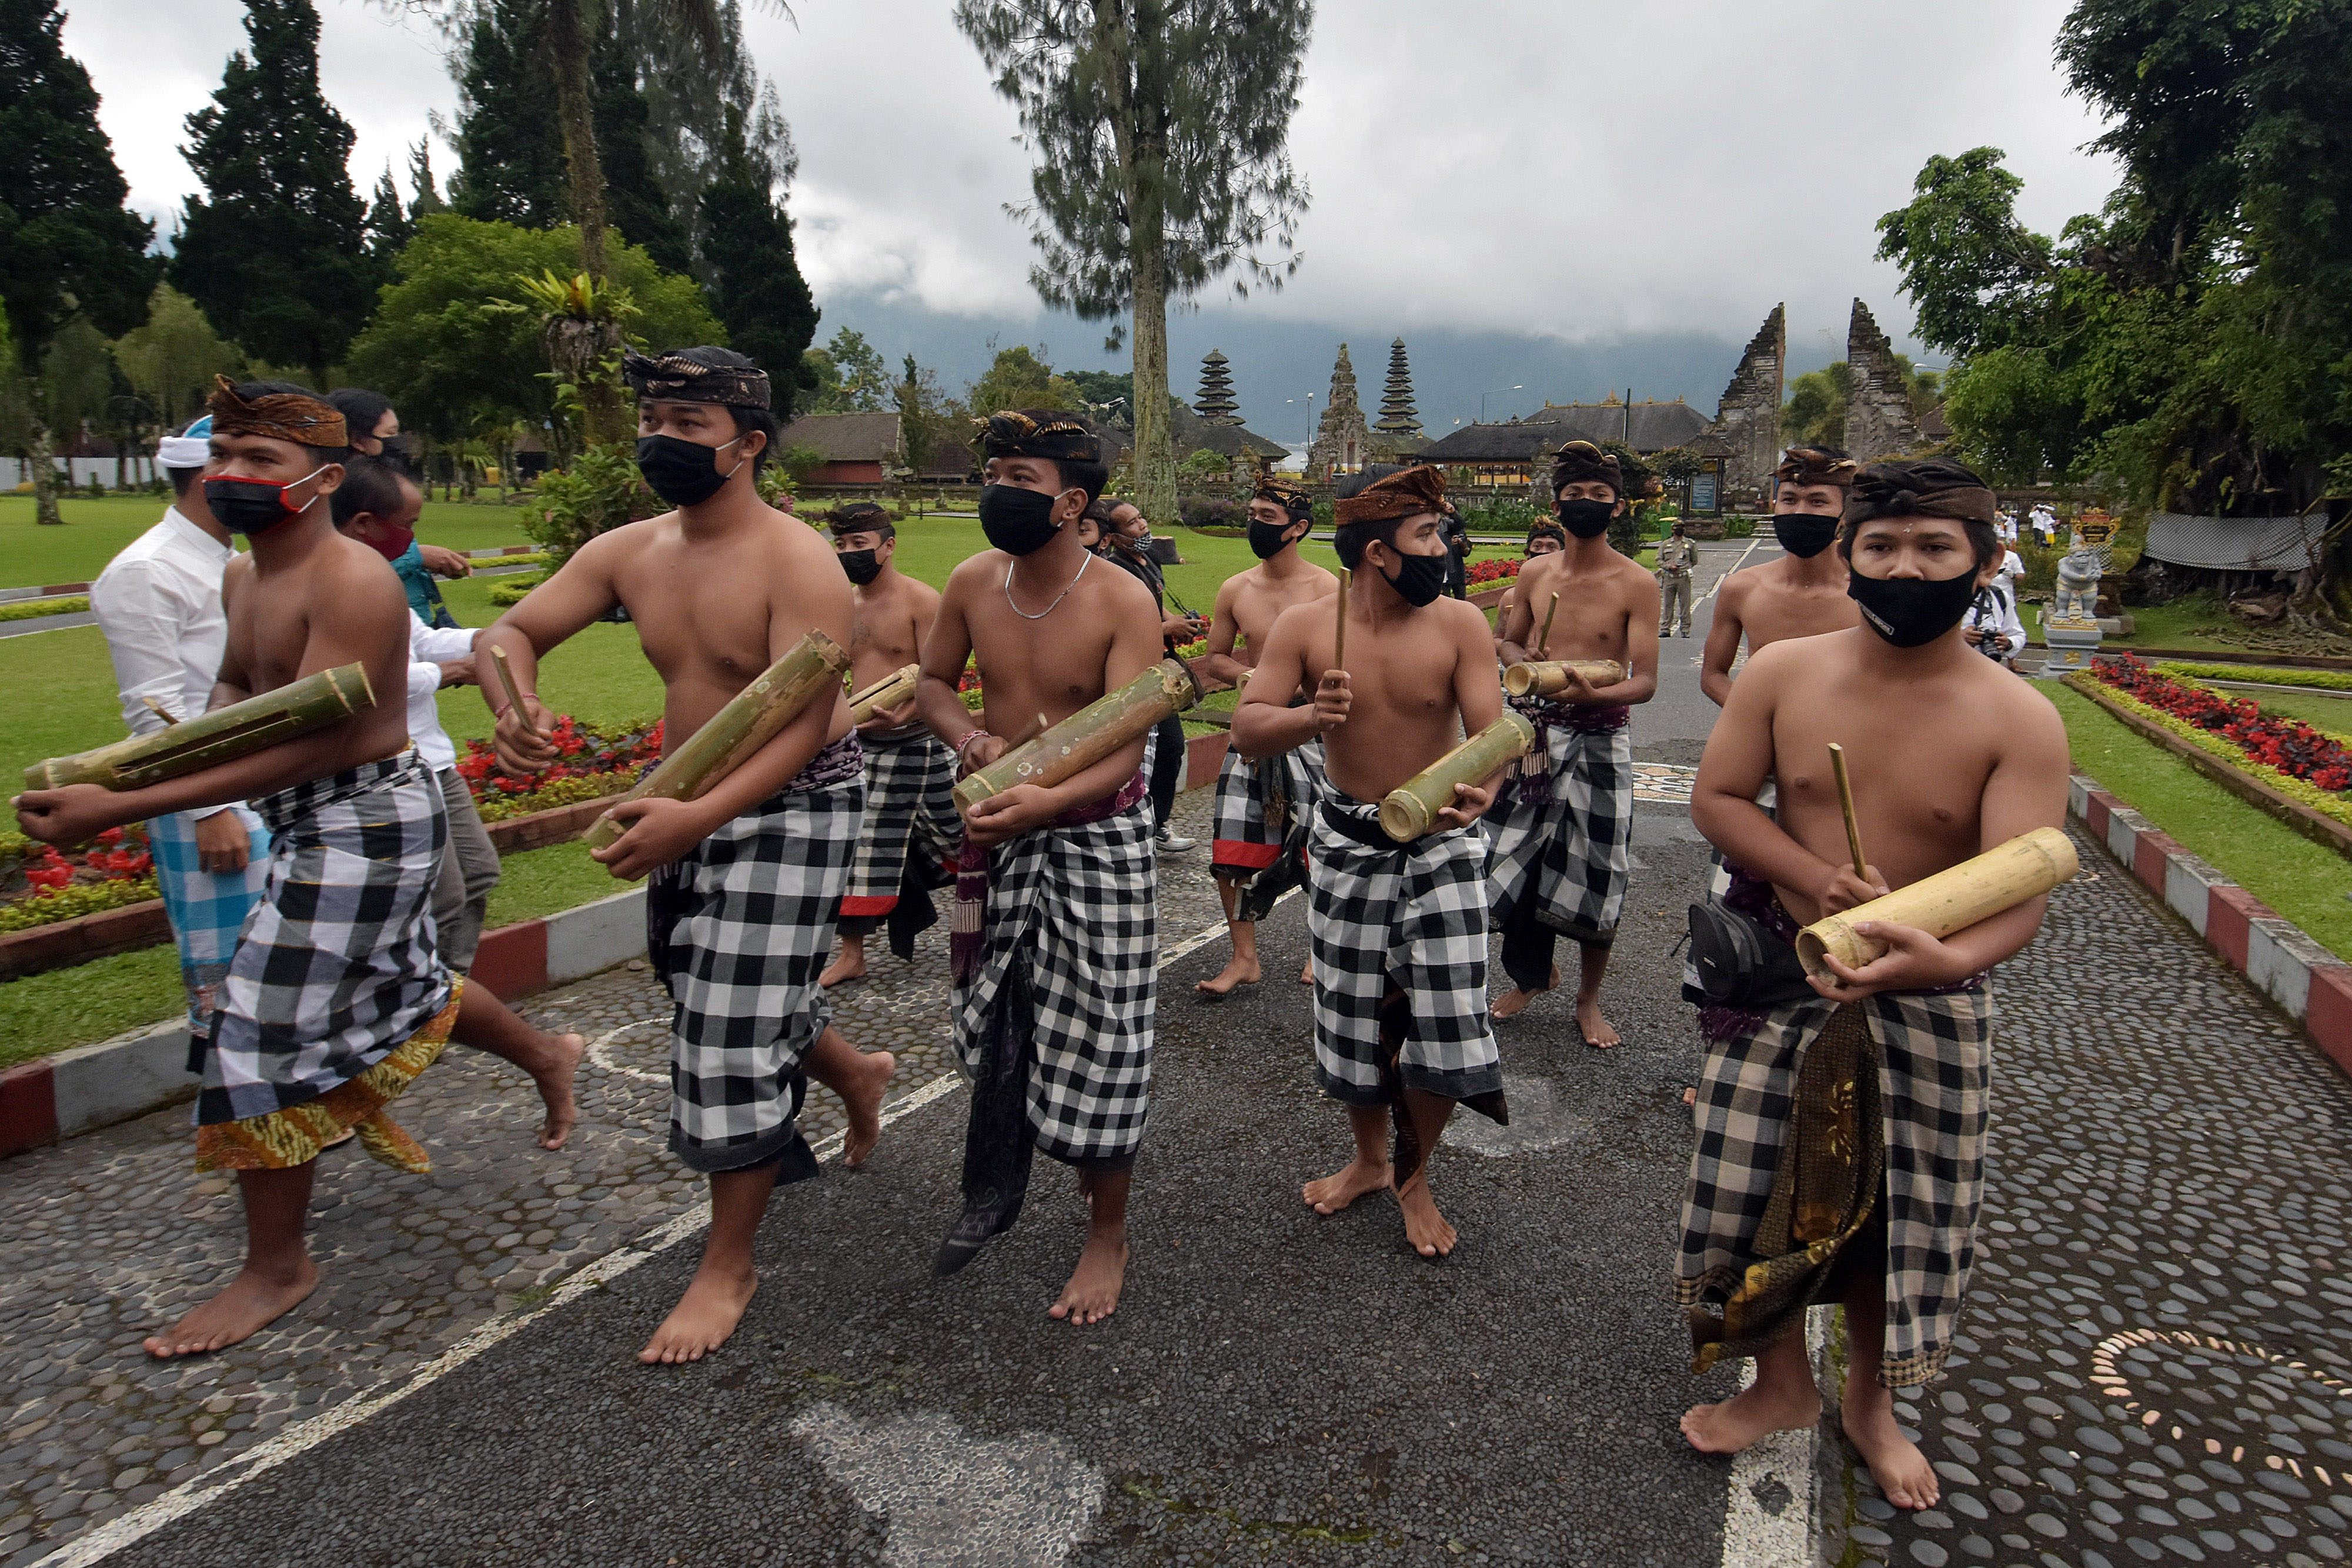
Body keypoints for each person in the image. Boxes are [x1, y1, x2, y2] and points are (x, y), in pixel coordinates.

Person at [16, 377, 583, 1359]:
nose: (231, 473)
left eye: (258, 459)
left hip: (363, 818)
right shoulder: (246, 577)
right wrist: (146, 761)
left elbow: (323, 741)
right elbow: (240, 694)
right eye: (222, 454)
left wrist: (127, 800)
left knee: (254, 1028)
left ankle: (279, 1265)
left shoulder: (351, 581)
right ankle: (548, 1054)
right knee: (403, 980)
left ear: (320, 477)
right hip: (311, 815)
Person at [479, 346, 897, 1364]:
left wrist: (694, 819)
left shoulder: (798, 558)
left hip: (790, 806)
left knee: (723, 1027)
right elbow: (512, 629)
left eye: (688, 422)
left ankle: (730, 1262)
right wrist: (513, 702)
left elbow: (803, 727)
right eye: (654, 416)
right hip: (686, 800)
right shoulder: (629, 550)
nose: (661, 438)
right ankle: (857, 1072)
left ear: (747, 444)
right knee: (708, 982)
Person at [1673, 458, 2070, 1512]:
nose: (1905, 567)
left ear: (1984, 563)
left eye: (1935, 548)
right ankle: (1780, 1384)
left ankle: (1870, 1404)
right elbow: (1719, 798)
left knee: (1901, 1214)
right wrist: (1813, 881)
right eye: (1881, 545)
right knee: (1750, 1191)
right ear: (1849, 554)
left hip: (1932, 996)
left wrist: (1951, 959)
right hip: (1787, 970)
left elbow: (2022, 885)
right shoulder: (1785, 674)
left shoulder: (2017, 718)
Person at [913, 410, 1164, 1323]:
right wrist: (972, 736)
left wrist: (1049, 799)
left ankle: (1107, 1230)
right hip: (999, 823)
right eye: (994, 472)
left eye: (1019, 477)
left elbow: (1129, 743)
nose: (998, 491)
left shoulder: (1121, 600)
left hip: (1095, 835)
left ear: (1071, 502)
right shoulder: (974, 580)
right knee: (999, 1015)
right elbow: (933, 683)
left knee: (1104, 1026)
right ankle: (995, 1184)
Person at [1233, 464, 1506, 1259]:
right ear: (1381, 552)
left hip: (1443, 840)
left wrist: (1481, 787)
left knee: (1450, 1017)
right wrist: (1309, 715)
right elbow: (1249, 727)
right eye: (1428, 534)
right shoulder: (1310, 628)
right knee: (1351, 1013)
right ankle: (1370, 1157)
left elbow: (1491, 732)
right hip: (1350, 840)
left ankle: (1414, 1177)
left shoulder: (1459, 623)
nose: (1443, 546)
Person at [87, 414, 272, 1040]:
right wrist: (210, 808)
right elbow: (154, 708)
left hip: (255, 782)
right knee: (232, 980)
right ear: (214, 475)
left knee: (276, 968)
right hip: (204, 795)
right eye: (254, 468)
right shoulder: (148, 571)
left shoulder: (231, 561)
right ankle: (242, 1117)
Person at [1488, 441, 1661, 1044]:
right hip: (1536, 734)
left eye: (1598, 496)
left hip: (1599, 737)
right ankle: (1531, 975)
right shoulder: (1535, 572)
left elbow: (1644, 681)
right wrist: (1525, 657)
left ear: (1617, 508)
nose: (1584, 503)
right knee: (1517, 857)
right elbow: (1506, 645)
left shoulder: (1637, 582)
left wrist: (1595, 695)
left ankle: (1589, 1000)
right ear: (1556, 502)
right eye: (1574, 494)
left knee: (1597, 868)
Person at [330, 456, 502, 971]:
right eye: (406, 526)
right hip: (391, 766)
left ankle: (451, 995)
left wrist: (496, 635)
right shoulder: (336, 586)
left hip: (433, 757)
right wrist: (446, 674)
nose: (412, 542)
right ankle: (424, 1007)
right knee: (443, 897)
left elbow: (421, 641)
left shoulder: (377, 579)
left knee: (478, 874)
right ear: (365, 524)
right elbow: (353, 686)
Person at [1194, 474, 1337, 998]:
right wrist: (1241, 677)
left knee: (1326, 844)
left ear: (1298, 527)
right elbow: (1214, 656)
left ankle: (1321, 949)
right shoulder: (1237, 588)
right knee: (1232, 848)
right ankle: (1244, 957)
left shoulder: (1329, 589)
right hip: (1253, 734)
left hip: (1315, 730)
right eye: (1252, 512)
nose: (1254, 522)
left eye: (1267, 517)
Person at [820, 501, 957, 987]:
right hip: (864, 748)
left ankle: (987, 925)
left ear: (889, 544)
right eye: (841, 544)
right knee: (862, 845)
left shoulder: (922, 600)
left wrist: (912, 710)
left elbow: (942, 677)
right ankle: (852, 952)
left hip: (923, 746)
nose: (849, 553)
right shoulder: (839, 605)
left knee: (963, 836)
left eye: (860, 544)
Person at [1700, 447, 1863, 707]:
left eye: (1817, 502)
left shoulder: (1869, 594)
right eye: (1789, 499)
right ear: (1774, 505)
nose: (1800, 512)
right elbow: (1713, 675)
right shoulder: (1742, 588)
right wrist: (1759, 720)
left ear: (1845, 514)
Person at [1091, 496, 1200, 853]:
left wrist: (1175, 622)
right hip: (1135, 676)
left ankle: (1158, 824)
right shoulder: (1116, 570)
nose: (1143, 527)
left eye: (1141, 518)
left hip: (1158, 670)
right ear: (1113, 537)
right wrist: (1168, 629)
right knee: (1148, 752)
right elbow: (1123, 627)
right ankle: (1140, 824)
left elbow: (1157, 604)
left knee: (1170, 750)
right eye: (1133, 524)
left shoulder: (1147, 559)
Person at [326, 388, 469, 629]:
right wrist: (418, 557)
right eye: (391, 434)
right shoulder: (334, 496)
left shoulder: (379, 485)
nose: (397, 442)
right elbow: (342, 571)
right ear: (358, 440)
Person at [1491, 523, 1565, 660]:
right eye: (1537, 546)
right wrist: (1520, 655)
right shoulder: (1511, 597)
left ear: (1563, 553)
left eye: (1551, 547)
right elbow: (1497, 639)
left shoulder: (1569, 596)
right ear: (1527, 553)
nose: (1544, 552)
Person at [1655, 519, 1698, 637]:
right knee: (1668, 604)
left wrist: (1684, 568)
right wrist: (1669, 567)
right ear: (1672, 529)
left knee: (1685, 605)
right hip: (1669, 577)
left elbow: (1694, 561)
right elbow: (1659, 559)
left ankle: (1685, 630)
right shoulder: (1666, 544)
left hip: (1683, 578)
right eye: (1677, 527)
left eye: (1682, 527)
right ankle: (1665, 629)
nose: (1680, 529)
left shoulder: (1690, 544)